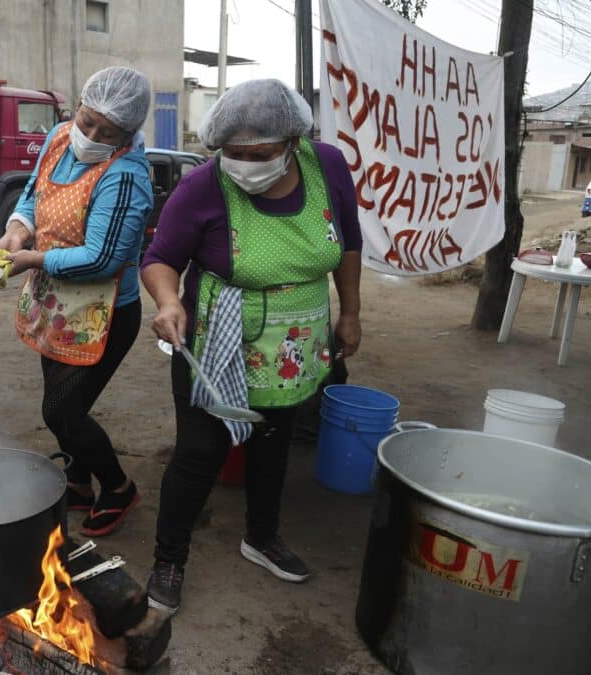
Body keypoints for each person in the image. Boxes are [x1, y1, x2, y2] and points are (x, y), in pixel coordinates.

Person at [140, 79, 363, 612]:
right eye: (232, 154)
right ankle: (169, 559)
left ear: (291, 142)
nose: (243, 165)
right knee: (198, 452)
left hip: (294, 343)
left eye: (258, 154)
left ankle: (261, 537)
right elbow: (160, 258)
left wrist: (351, 312)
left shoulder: (326, 165)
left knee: (273, 439)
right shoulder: (203, 186)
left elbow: (349, 241)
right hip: (219, 338)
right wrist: (169, 302)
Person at [0, 67, 153, 537]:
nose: (90, 136)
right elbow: (33, 194)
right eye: (87, 122)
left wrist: (30, 259)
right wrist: (16, 230)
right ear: (78, 108)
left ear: (127, 135)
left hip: (101, 314)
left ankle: (118, 487)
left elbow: (102, 259)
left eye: (107, 133)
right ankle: (79, 483)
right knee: (58, 402)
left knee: (62, 411)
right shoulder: (61, 137)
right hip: (54, 303)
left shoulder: (126, 175)